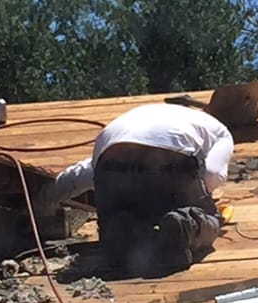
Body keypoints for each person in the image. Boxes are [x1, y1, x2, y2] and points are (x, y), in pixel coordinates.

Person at [38, 103, 233, 274]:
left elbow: (73, 179)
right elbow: (214, 174)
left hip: (111, 161)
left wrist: (40, 206)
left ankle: (120, 230)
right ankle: (183, 226)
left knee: (125, 219)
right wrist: (195, 201)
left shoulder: (135, 120)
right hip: (168, 160)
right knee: (204, 218)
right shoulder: (221, 133)